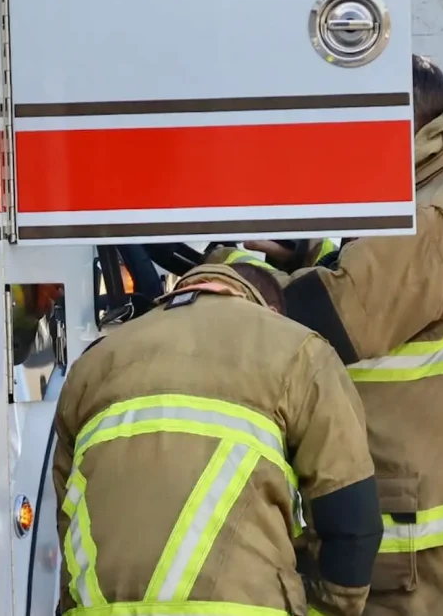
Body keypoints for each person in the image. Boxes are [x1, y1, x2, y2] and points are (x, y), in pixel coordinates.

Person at [230, 54, 443, 616]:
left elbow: (336, 317)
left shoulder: (435, 215)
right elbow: (380, 287)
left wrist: (234, 278)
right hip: (435, 517)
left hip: (418, 527)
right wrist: (307, 257)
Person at [52, 262, 383, 616]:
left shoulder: (92, 366)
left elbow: (67, 516)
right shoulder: (299, 351)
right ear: (272, 313)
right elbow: (352, 524)